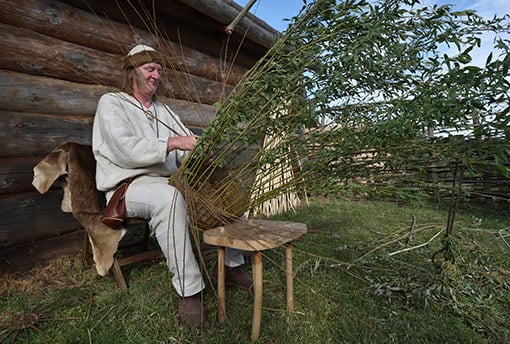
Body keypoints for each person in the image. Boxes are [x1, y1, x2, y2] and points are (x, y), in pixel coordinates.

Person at [92, 44, 251, 326]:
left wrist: (200, 150)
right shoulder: (112, 103)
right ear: (132, 72)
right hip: (129, 186)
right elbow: (124, 148)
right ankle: (190, 291)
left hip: (170, 181)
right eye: (149, 69)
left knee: (225, 191)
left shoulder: (162, 110)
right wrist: (174, 143)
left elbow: (184, 146)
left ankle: (232, 266)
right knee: (170, 198)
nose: (156, 76)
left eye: (159, 71)